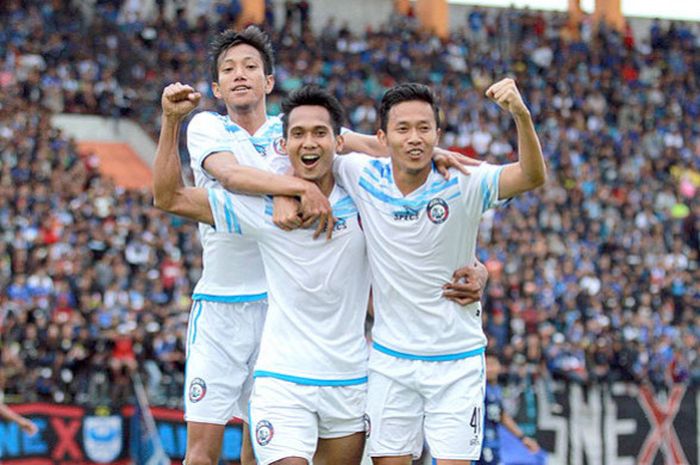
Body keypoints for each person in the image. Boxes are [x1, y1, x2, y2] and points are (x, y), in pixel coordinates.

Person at [180, 26, 487, 465]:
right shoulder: (209, 126)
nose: (240, 75)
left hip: (282, 308)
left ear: (269, 81)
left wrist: (426, 153)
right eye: (229, 69)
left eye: (251, 66)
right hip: (222, 305)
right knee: (202, 452)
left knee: (260, 443)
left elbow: (376, 149)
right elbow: (228, 175)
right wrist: (293, 189)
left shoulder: (296, 135)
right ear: (216, 86)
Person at [332, 80, 547, 465]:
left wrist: (521, 114)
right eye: (403, 129)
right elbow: (326, 138)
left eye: (424, 129)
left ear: (438, 133)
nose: (415, 137)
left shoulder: (464, 179)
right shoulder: (363, 175)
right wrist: (398, 149)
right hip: (391, 359)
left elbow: (531, 175)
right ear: (383, 136)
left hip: (457, 359)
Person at [477, 351, 540, 465]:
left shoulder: (496, 389)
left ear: (500, 367)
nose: (489, 369)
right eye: (486, 364)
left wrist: (523, 438)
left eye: (492, 364)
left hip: (494, 444)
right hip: (480, 446)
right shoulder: (478, 390)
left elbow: (503, 416)